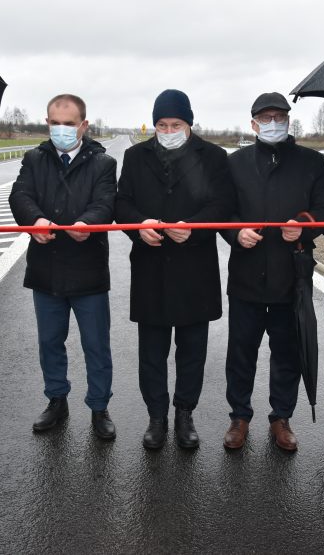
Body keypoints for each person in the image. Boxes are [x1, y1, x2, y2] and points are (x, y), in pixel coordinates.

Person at [115, 89, 234, 450]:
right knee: (152, 348)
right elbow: (122, 202)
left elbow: (223, 202)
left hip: (194, 267)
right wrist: (139, 225)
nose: (168, 130)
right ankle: (156, 416)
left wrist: (194, 227)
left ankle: (185, 413)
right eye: (162, 125)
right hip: (150, 265)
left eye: (176, 124)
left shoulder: (212, 156)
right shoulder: (136, 156)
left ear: (189, 124)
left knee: (191, 348)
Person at [220, 92, 324, 452]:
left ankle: (281, 417)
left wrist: (304, 225)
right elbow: (222, 211)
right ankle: (239, 416)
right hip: (247, 274)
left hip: (291, 276)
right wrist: (236, 232)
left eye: (279, 117)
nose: (273, 124)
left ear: (289, 120)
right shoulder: (234, 163)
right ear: (253, 124)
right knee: (241, 350)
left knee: (287, 351)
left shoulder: (312, 162)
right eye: (265, 118)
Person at [9, 94, 118, 440]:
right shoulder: (34, 158)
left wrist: (88, 222)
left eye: (68, 124)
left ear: (83, 125)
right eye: (55, 123)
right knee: (50, 341)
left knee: (96, 344)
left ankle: (99, 407)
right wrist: (35, 219)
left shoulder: (103, 164)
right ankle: (57, 399)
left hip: (88, 270)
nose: (61, 130)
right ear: (47, 123)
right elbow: (20, 195)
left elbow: (106, 202)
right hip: (46, 268)